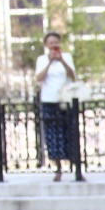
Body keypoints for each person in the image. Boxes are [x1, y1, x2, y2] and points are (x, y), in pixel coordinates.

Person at [34, 32, 77, 181]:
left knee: (69, 132)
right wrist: (50, 62)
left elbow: (72, 76)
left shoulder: (67, 57)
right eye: (51, 42)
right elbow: (39, 78)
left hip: (64, 100)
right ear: (46, 45)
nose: (54, 45)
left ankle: (75, 166)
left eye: (56, 42)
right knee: (52, 135)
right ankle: (58, 168)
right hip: (49, 100)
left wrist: (61, 61)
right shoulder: (41, 60)